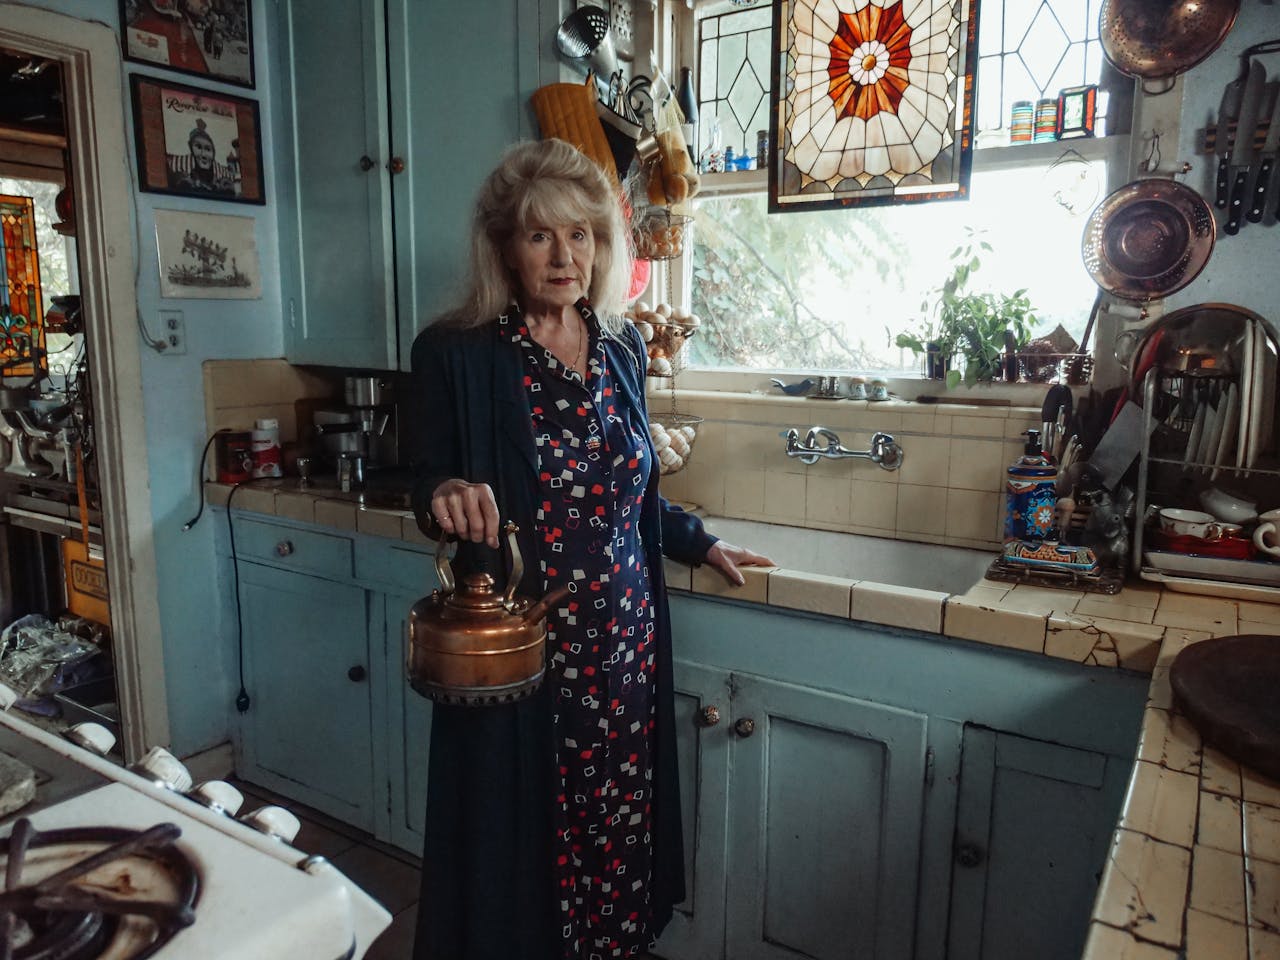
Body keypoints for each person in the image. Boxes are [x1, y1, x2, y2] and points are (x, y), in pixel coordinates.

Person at [407, 137, 772, 960]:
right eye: (541, 236)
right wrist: (444, 497)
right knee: (520, 828)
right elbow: (425, 478)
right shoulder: (458, 352)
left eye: (583, 235)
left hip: (626, 637)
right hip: (529, 639)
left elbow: (631, 483)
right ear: (505, 246)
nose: (565, 255)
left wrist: (698, 541)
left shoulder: (621, 347)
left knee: (616, 810)